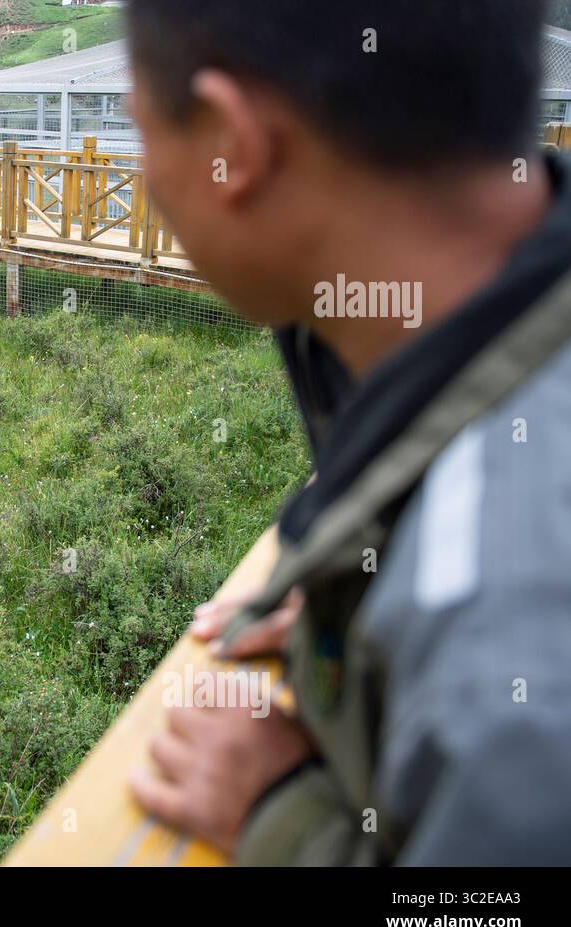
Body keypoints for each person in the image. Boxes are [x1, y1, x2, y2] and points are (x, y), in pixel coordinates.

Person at [123, 0, 571, 864]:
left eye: (141, 130)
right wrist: (371, 598)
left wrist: (287, 820)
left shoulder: (501, 649)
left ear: (231, 145)